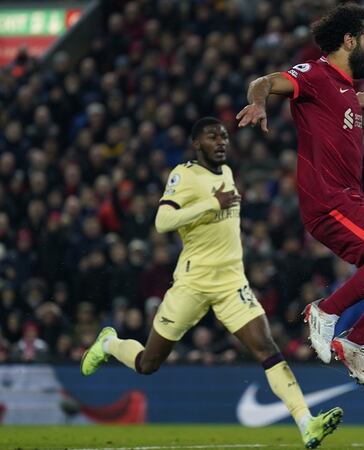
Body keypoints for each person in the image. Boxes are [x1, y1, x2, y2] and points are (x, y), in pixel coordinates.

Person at [80, 118, 342, 449]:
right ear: (196, 144)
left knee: (267, 348)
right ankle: (108, 344)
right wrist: (209, 204)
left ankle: (307, 423)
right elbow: (162, 221)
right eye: (212, 137)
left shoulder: (228, 173)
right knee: (149, 363)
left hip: (232, 281)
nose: (220, 141)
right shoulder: (184, 175)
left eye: (224, 137)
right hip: (193, 281)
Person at [236, 4, 364, 392]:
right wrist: (259, 101)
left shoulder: (345, 91)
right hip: (329, 202)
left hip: (351, 200)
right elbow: (266, 80)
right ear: (349, 40)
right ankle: (325, 312)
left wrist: (353, 103)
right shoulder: (315, 74)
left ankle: (355, 341)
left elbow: (334, 110)